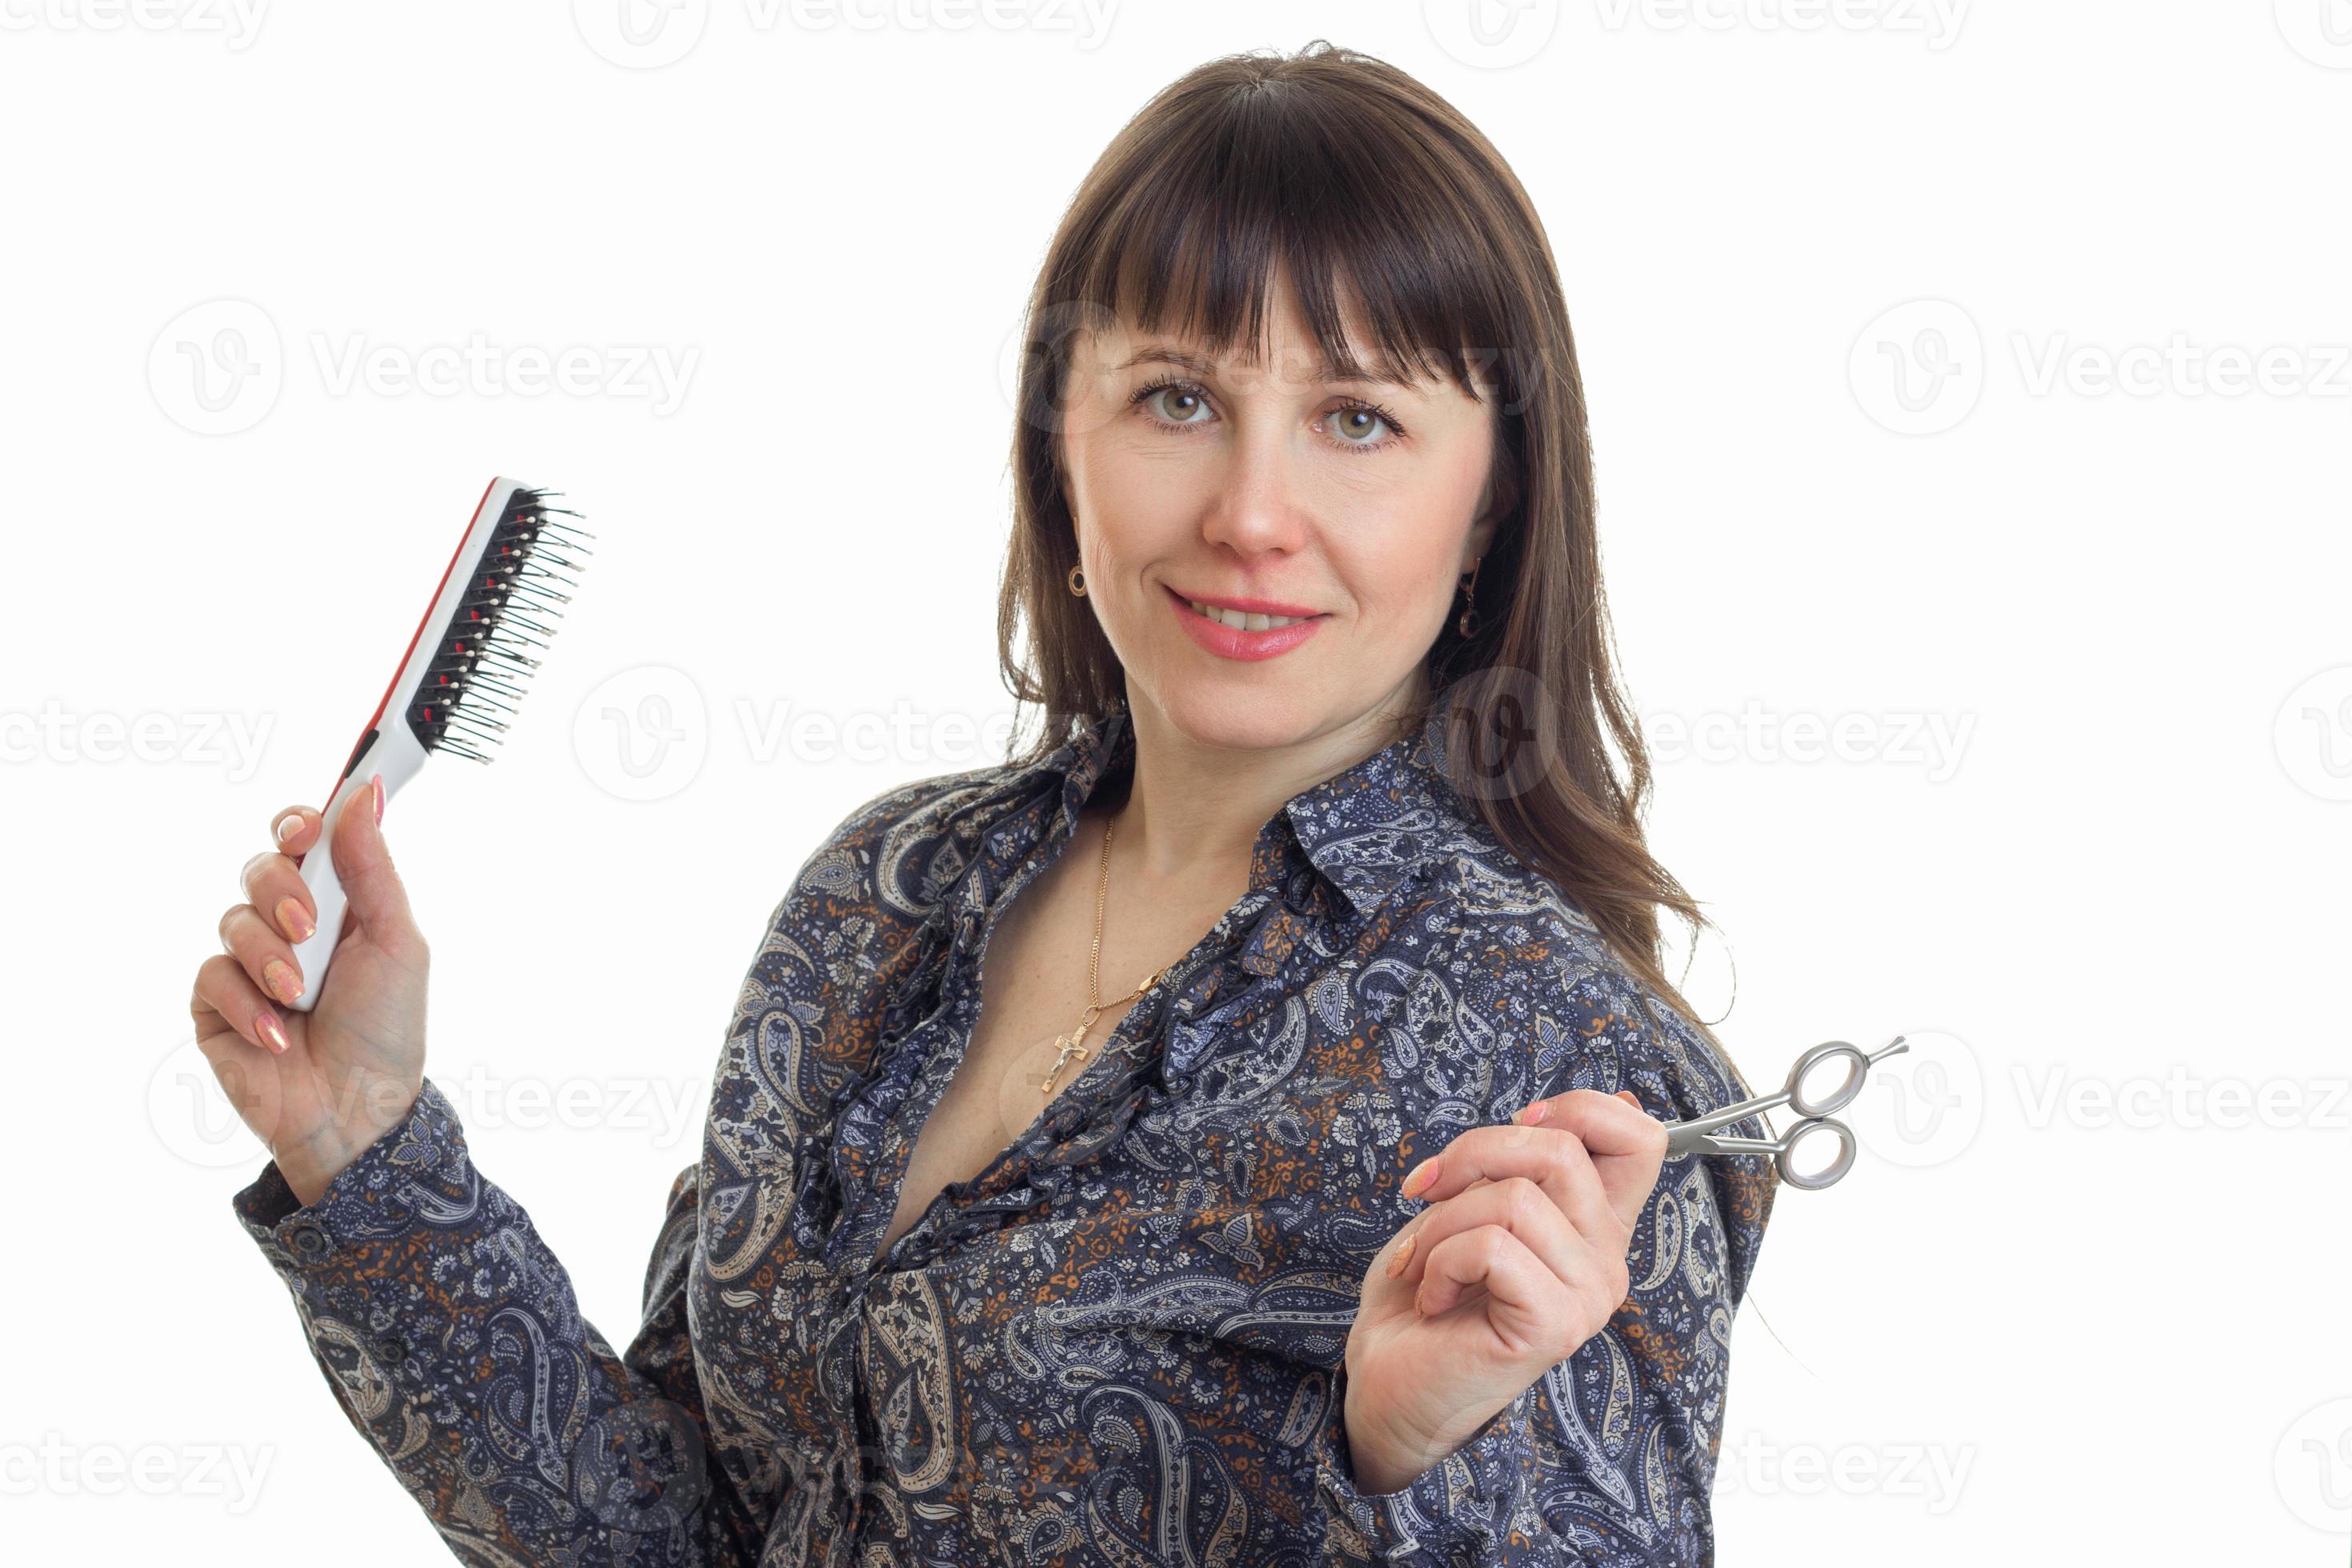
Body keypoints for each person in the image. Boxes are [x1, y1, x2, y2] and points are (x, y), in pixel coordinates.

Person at [194, 41, 1776, 1566]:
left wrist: (1415, 1458)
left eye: (1358, 418)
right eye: (1175, 397)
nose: (1250, 513)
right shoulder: (880, 896)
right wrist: (363, 1142)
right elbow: (684, 1531)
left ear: (1493, 491)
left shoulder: (1568, 1072)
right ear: (1058, 437)